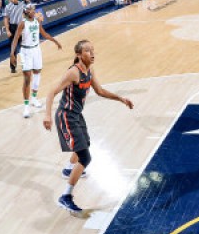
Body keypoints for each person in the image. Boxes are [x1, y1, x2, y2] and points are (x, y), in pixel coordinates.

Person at [43, 40, 134, 215]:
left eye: (93, 50)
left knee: (85, 144)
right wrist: (47, 115)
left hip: (76, 115)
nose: (92, 53)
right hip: (66, 116)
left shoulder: (90, 70)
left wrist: (121, 99)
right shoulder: (73, 73)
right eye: (87, 51)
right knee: (85, 157)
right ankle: (66, 197)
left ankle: (69, 169)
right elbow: (51, 92)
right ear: (78, 55)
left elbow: (100, 91)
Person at [11, 4, 62, 118]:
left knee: (37, 72)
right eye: (31, 10)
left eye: (34, 9)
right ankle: (26, 106)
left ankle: (34, 98)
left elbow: (44, 34)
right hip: (26, 51)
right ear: (26, 12)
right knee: (27, 78)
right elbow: (15, 39)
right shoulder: (22, 23)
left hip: (36, 49)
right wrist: (12, 54)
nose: (34, 11)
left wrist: (55, 41)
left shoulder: (36, 21)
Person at [3, 0, 25, 73]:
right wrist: (7, 30)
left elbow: (25, 13)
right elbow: (5, 19)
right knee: (13, 48)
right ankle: (13, 67)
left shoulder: (22, 4)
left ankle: (25, 64)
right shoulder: (8, 7)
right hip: (13, 27)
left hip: (21, 27)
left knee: (24, 47)